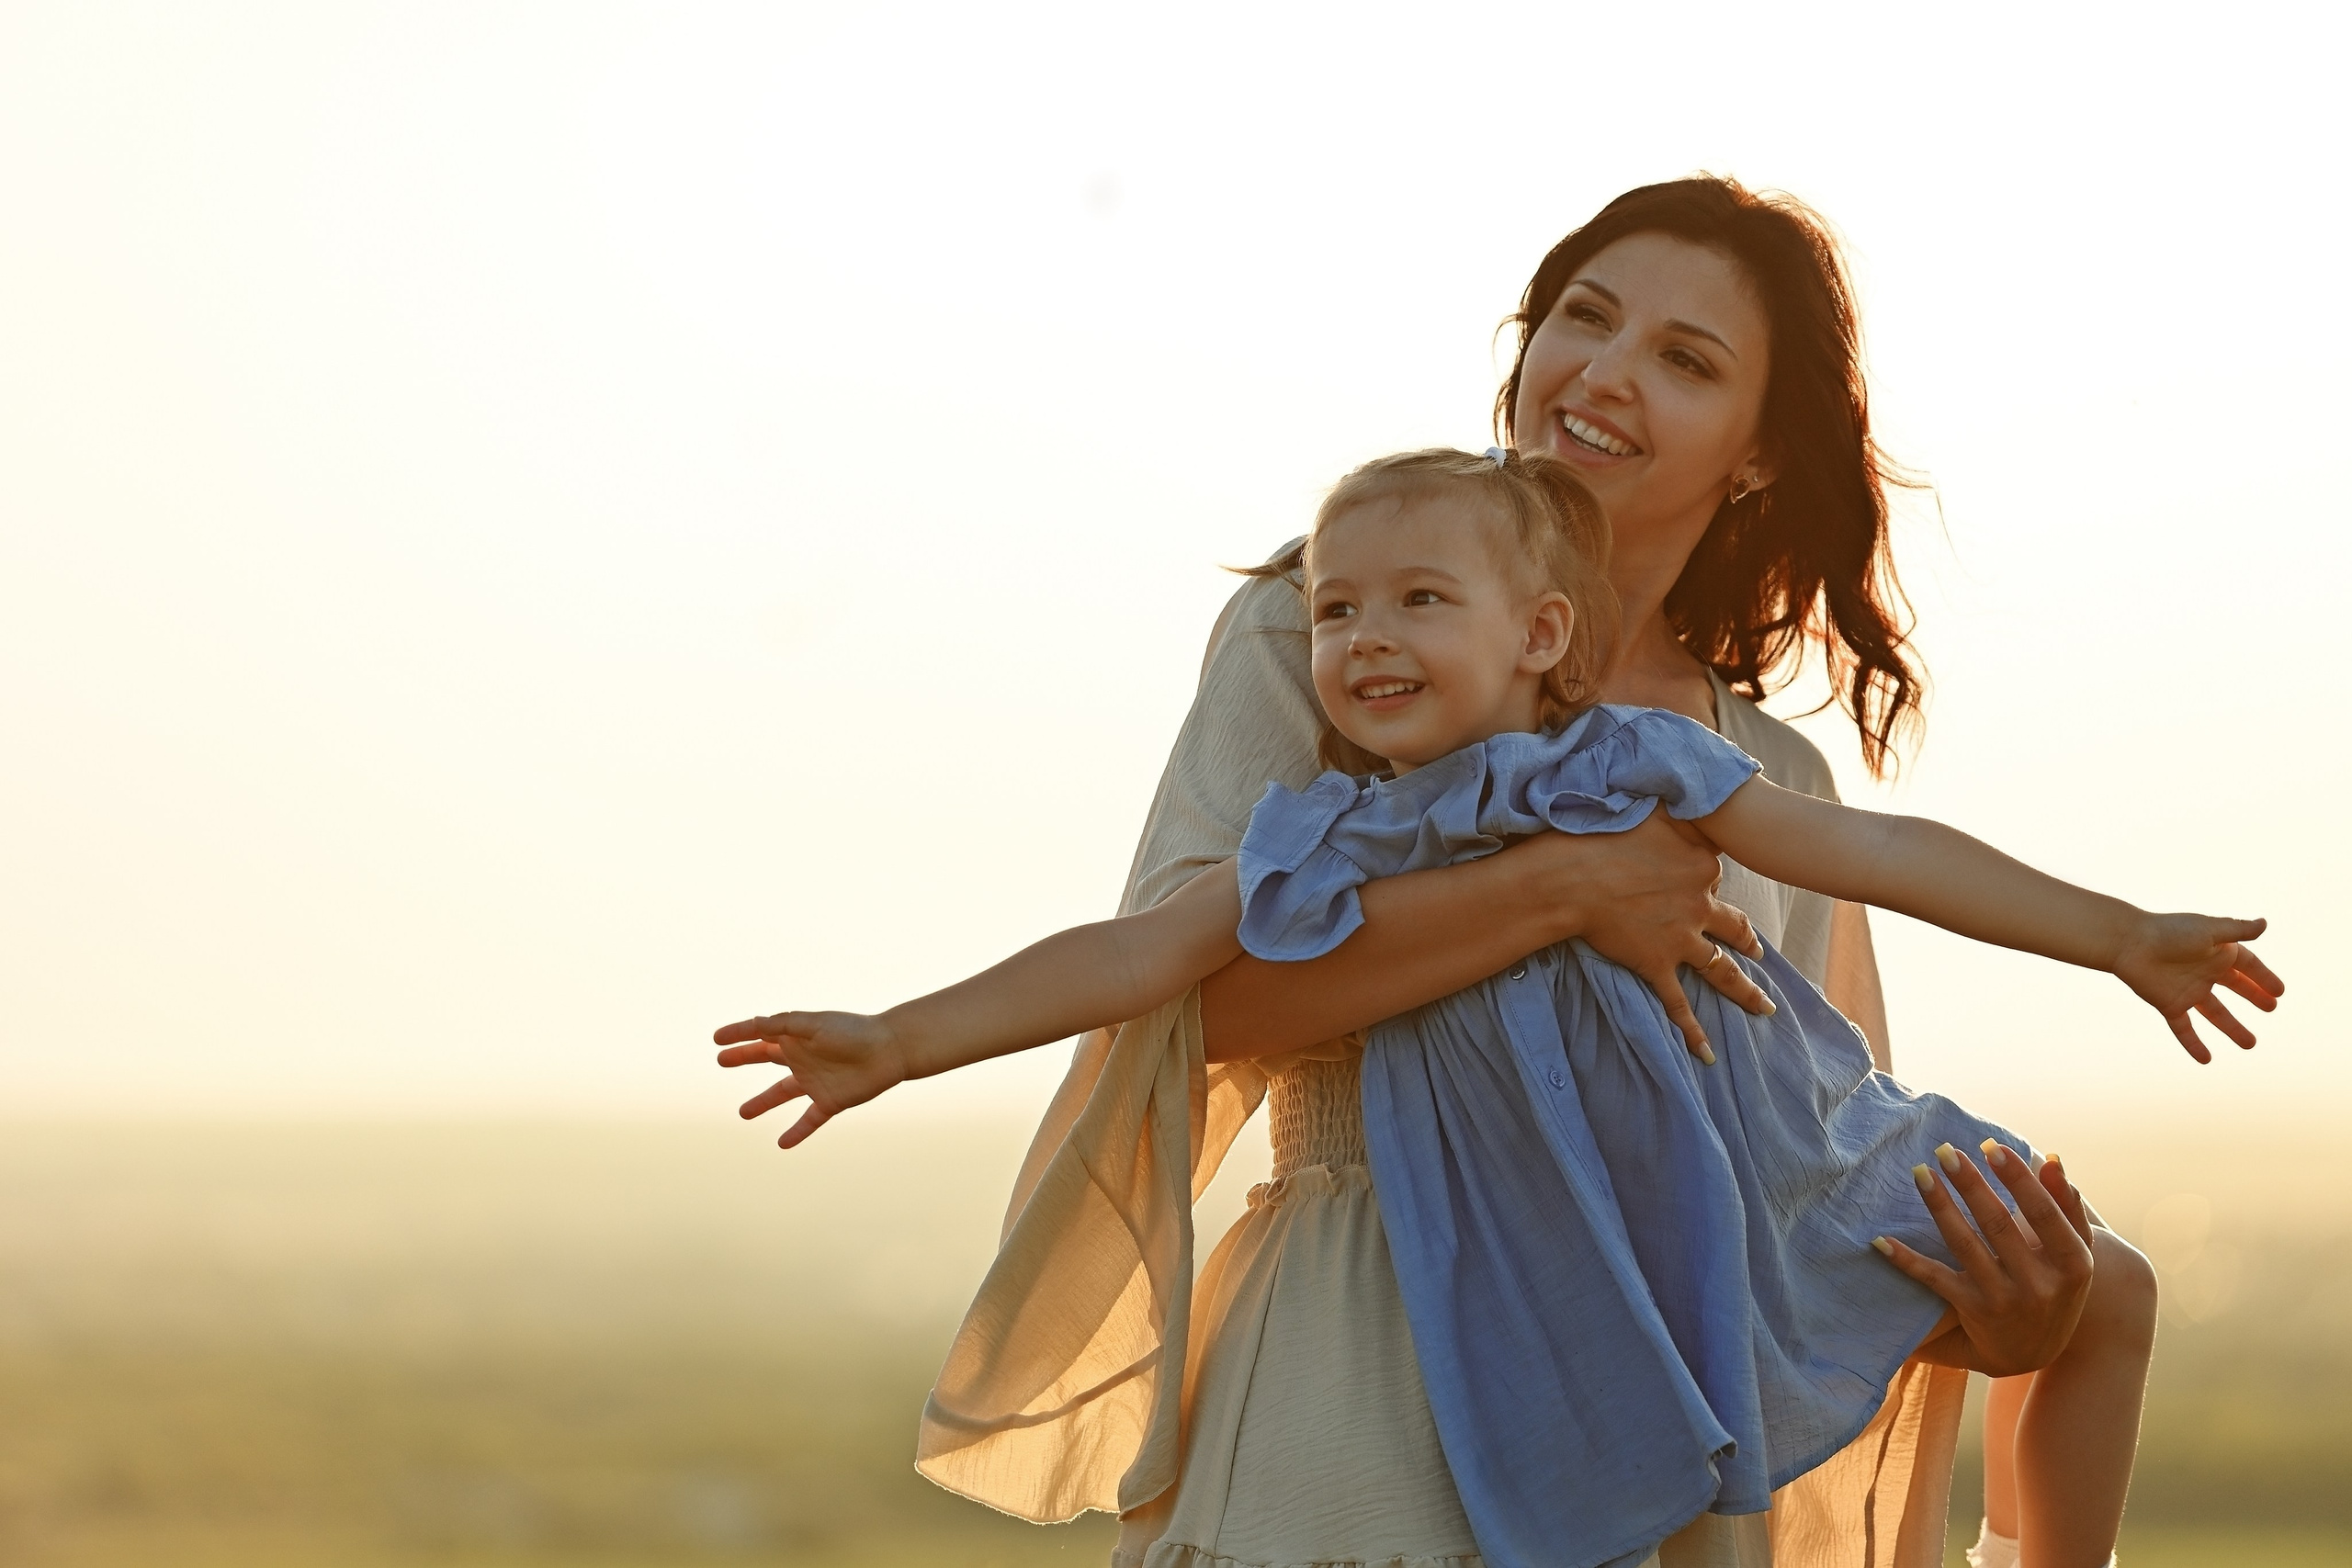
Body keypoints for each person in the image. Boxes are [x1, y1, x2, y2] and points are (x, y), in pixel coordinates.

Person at [724, 179, 2157, 1568]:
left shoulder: (1771, 785)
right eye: (1581, 318)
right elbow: (1195, 1005)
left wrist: (2005, 1324)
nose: (1603, 371)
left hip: (1652, 1417)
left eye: (1684, 357)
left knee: (2105, 1278)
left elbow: (1789, 1178)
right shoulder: (1339, 636)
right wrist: (1565, 892)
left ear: (1759, 453)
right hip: (1356, 1381)